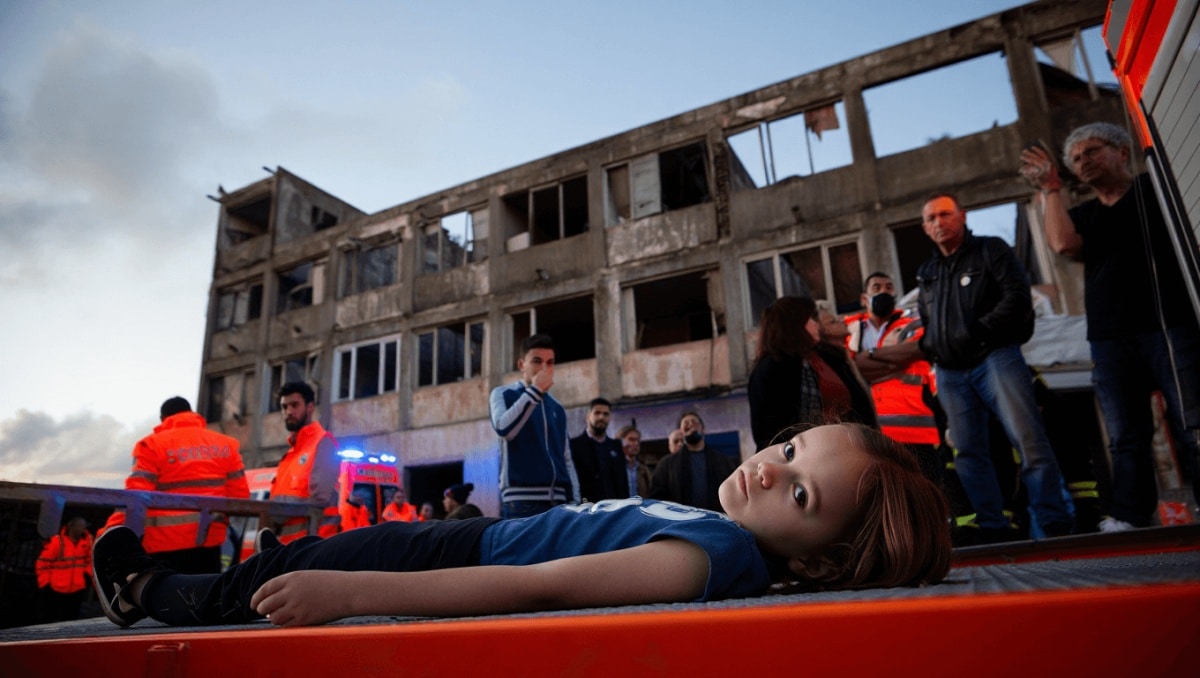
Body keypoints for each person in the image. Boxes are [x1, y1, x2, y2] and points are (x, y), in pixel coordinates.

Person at [91, 422, 952, 629]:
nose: (768, 468)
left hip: (457, 553)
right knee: (311, 550)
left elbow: (539, 587)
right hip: (465, 542)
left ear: (818, 565)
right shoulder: (721, 531)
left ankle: (147, 589)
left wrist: (351, 593)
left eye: (799, 495)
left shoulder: (711, 556)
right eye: (791, 449)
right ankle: (211, 577)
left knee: (289, 574)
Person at [1021, 123, 1200, 531]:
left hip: (1170, 323)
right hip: (1110, 336)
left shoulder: (1154, 189)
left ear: (1121, 151)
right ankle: (1130, 516)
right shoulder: (1084, 215)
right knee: (1124, 434)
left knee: (1192, 421)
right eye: (1076, 158)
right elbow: (1062, 244)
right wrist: (1051, 188)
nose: (1083, 161)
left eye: (1092, 151)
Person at [917, 193, 1075, 541]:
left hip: (996, 357)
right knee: (967, 452)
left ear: (962, 216)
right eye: (931, 218)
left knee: (1028, 439)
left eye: (945, 214)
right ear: (925, 228)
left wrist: (976, 331)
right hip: (950, 371)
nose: (939, 222)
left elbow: (1017, 298)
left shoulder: (991, 249)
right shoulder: (928, 272)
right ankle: (993, 528)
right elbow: (927, 319)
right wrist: (932, 345)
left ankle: (1054, 523)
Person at [101, 397, 249, 573]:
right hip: (208, 545)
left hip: (162, 547)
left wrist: (108, 532)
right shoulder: (227, 446)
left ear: (163, 418)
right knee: (206, 590)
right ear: (191, 413)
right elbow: (240, 498)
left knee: (167, 591)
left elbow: (135, 496)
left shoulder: (151, 445)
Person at [843, 272, 943, 481]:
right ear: (864, 299)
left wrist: (869, 355)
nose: (884, 292)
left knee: (927, 482)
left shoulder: (912, 322)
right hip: (869, 426)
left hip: (914, 424)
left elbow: (917, 350)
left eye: (889, 287)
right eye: (876, 288)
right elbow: (851, 367)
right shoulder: (850, 329)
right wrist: (894, 364)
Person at [748, 296, 877, 450]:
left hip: (851, 447)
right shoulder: (770, 370)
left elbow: (859, 404)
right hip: (806, 455)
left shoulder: (829, 356)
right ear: (795, 324)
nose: (817, 324)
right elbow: (769, 434)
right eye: (811, 318)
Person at [490, 333, 580, 518]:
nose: (544, 368)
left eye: (550, 362)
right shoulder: (503, 394)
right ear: (522, 365)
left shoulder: (557, 407)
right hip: (522, 501)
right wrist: (535, 391)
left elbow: (566, 458)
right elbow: (504, 429)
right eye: (537, 361)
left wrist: (576, 502)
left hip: (560, 502)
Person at [269, 382, 341, 544]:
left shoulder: (323, 443)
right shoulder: (290, 454)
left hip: (312, 545)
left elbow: (319, 500)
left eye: (294, 405)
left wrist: (274, 513)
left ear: (310, 407)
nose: (289, 412)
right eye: (284, 407)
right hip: (288, 545)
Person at [649, 411, 738, 511]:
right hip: (682, 519)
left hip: (715, 518)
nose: (691, 424)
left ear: (703, 430)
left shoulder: (723, 461)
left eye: (694, 422)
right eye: (686, 423)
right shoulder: (667, 464)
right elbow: (657, 498)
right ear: (681, 432)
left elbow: (734, 492)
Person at [569, 398, 626, 502]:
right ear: (588, 416)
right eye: (597, 413)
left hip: (615, 507)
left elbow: (622, 482)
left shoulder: (616, 446)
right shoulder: (574, 445)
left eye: (605, 414)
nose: (601, 417)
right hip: (587, 507)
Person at [36, 517, 92, 622]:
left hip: (76, 589)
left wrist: (87, 576)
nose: (82, 529)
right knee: (48, 619)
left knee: (69, 620)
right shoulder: (57, 542)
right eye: (80, 526)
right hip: (55, 588)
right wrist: (45, 584)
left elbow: (91, 561)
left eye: (83, 527)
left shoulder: (87, 543)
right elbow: (42, 563)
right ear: (71, 526)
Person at [616, 424, 652, 497]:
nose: (636, 443)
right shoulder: (613, 467)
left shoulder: (643, 470)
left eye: (637, 440)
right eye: (631, 440)